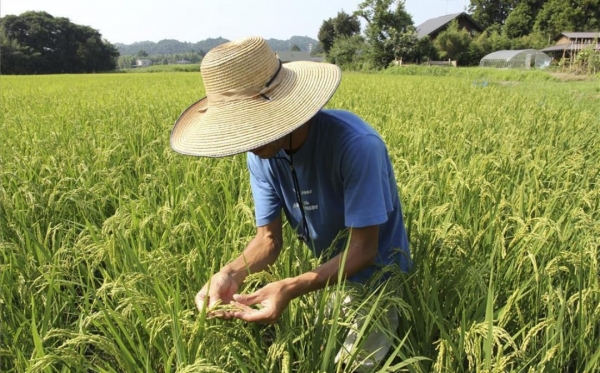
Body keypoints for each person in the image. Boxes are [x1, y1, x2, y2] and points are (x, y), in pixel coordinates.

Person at [170, 36, 411, 369]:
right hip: (328, 273)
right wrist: (229, 273)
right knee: (305, 348)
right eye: (236, 129)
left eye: (250, 125)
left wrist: (290, 286)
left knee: (346, 367)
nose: (246, 141)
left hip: (376, 278)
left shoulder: (356, 146)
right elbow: (268, 241)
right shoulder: (261, 153)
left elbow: (363, 250)